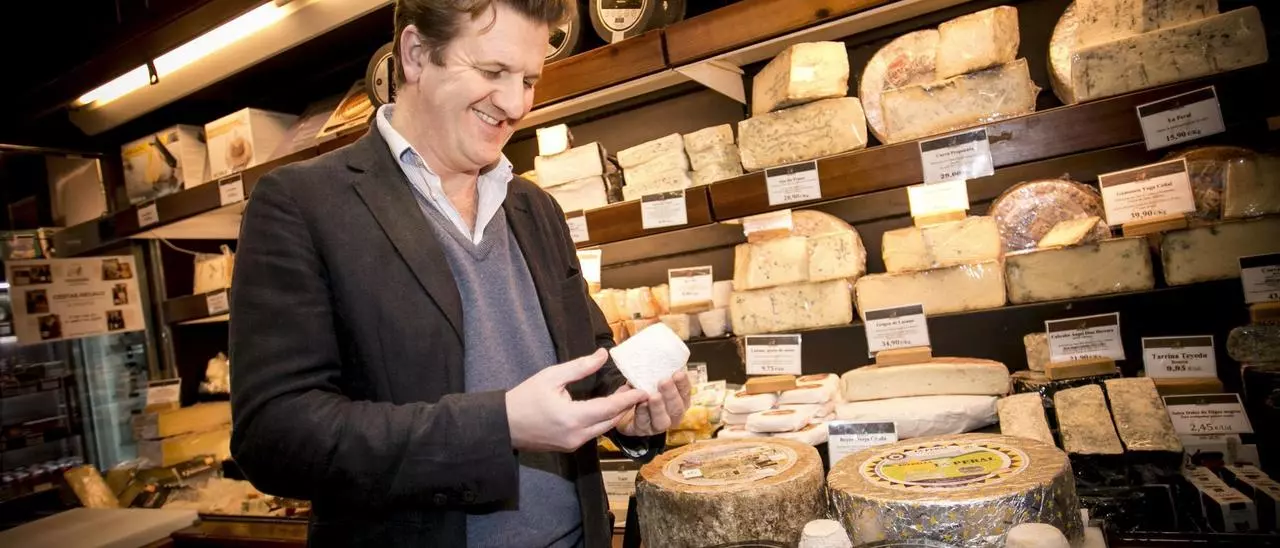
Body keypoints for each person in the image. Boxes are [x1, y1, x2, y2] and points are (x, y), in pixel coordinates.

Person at [227, 1, 691, 546]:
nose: (515, 104)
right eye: (493, 71)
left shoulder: (536, 208)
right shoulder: (302, 205)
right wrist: (500, 426)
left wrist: (629, 414)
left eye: (528, 80)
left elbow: (587, 358)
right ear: (416, 54)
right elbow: (275, 436)